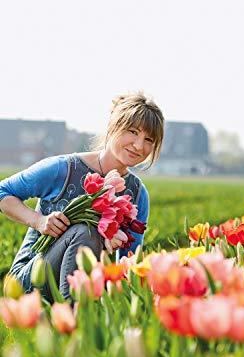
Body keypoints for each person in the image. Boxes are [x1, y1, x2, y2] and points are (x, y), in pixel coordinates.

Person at [0, 92, 164, 302]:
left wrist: (108, 251)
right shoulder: (64, 169)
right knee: (86, 231)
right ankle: (75, 319)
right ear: (113, 126)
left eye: (149, 139)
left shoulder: (137, 194)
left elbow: (128, 262)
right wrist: (39, 221)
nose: (139, 145)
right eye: (132, 132)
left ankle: (78, 315)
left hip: (85, 281)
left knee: (91, 235)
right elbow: (2, 192)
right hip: (30, 279)